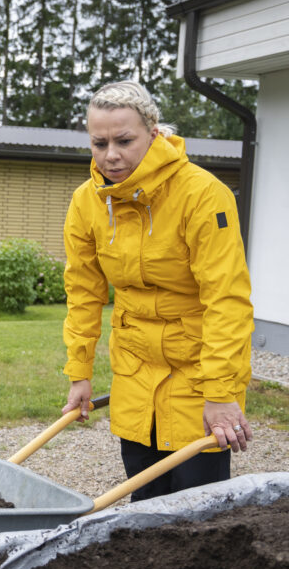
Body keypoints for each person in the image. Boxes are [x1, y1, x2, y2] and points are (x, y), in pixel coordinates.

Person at [61, 80, 254, 502]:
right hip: (135, 365)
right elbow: (83, 291)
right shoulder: (86, 202)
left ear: (153, 133)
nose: (111, 154)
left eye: (124, 140)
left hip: (198, 369)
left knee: (195, 502)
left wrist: (221, 395)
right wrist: (79, 372)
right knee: (144, 493)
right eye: (99, 143)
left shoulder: (204, 195)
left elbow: (227, 299)